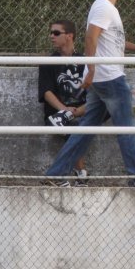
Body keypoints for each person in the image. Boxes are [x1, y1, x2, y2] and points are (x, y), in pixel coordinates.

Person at [44, 0, 135, 187]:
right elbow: (90, 37)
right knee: (127, 129)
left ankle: (56, 175)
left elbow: (111, 40)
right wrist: (92, 67)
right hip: (109, 78)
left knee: (86, 130)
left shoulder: (106, 8)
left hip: (102, 78)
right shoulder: (103, 7)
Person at [38, 20, 89, 185]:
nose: (51, 36)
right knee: (69, 124)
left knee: (104, 106)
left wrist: (76, 111)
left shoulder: (85, 61)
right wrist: (65, 110)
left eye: (56, 33)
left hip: (83, 111)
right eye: (51, 32)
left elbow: (96, 94)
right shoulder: (49, 62)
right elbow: (46, 92)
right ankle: (79, 173)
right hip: (57, 113)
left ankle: (72, 173)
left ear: (69, 36)